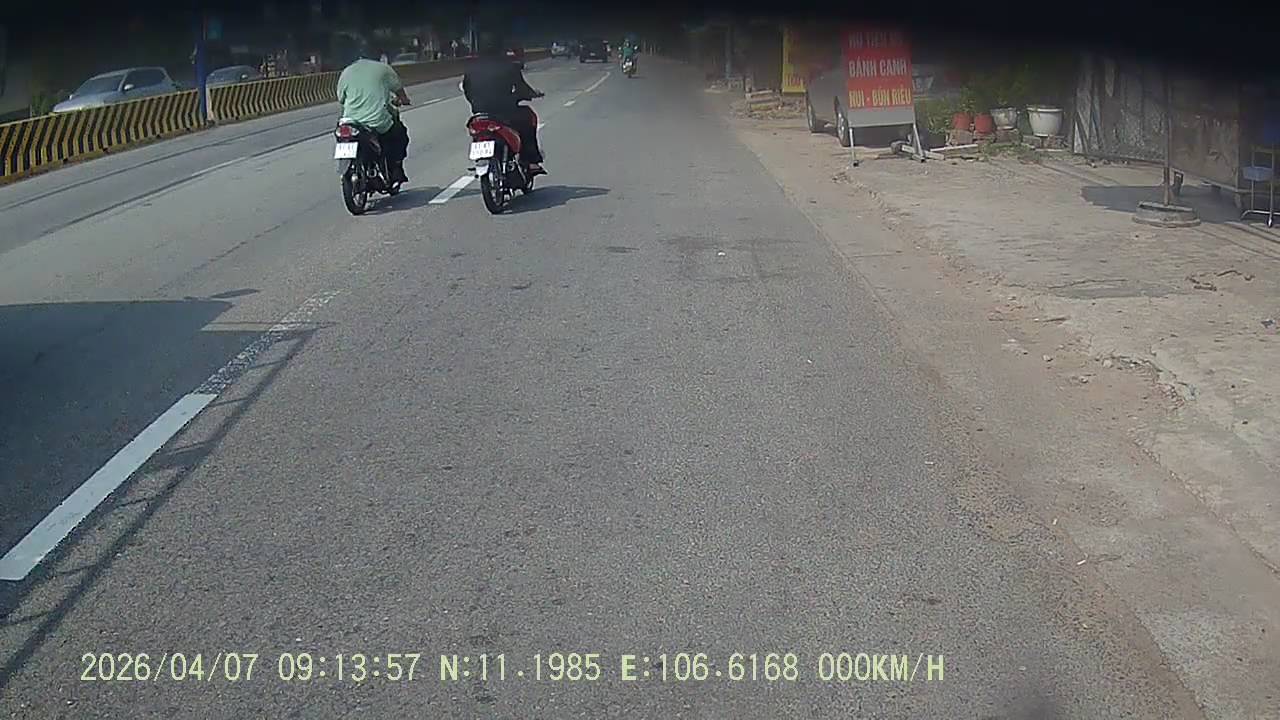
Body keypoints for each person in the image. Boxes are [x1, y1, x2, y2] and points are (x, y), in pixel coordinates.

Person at [461, 33, 545, 174]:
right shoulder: (509, 66)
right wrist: (531, 94)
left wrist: (475, 103)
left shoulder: (471, 68)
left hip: (480, 112)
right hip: (505, 112)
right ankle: (531, 160)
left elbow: (467, 90)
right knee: (528, 118)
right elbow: (522, 88)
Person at [337, 48, 411, 183]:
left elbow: (341, 98)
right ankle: (395, 168)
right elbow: (398, 89)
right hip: (376, 121)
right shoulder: (384, 69)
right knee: (400, 134)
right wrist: (404, 100)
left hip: (350, 122)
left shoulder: (346, 72)